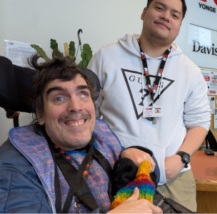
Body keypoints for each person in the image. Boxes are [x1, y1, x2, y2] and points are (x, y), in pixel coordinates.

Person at [88, 0, 211, 211]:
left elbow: (199, 122)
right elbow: (89, 115)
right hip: (115, 172)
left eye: (175, 15)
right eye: (159, 8)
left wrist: (181, 158)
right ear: (144, 13)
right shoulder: (106, 57)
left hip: (172, 179)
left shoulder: (190, 71)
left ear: (180, 26)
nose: (166, 16)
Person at [0, 55, 162, 214]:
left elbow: (149, 172)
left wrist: (132, 155)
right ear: (41, 114)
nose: (76, 107)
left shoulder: (100, 135)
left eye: (83, 94)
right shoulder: (16, 167)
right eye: (59, 98)